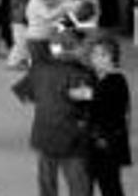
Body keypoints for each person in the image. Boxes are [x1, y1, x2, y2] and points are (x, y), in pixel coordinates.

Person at [12, 30, 95, 196]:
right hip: (73, 138)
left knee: (46, 180)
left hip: (44, 133)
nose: (87, 51)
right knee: (79, 182)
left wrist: (46, 98)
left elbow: (22, 94)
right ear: (75, 48)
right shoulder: (82, 74)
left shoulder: (39, 69)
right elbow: (90, 105)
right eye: (84, 47)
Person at [86, 37, 132, 196]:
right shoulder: (90, 77)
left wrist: (88, 96)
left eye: (103, 55)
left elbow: (113, 110)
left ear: (113, 59)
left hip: (109, 143)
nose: (97, 59)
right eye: (95, 55)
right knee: (85, 184)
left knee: (110, 185)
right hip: (88, 142)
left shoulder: (117, 81)